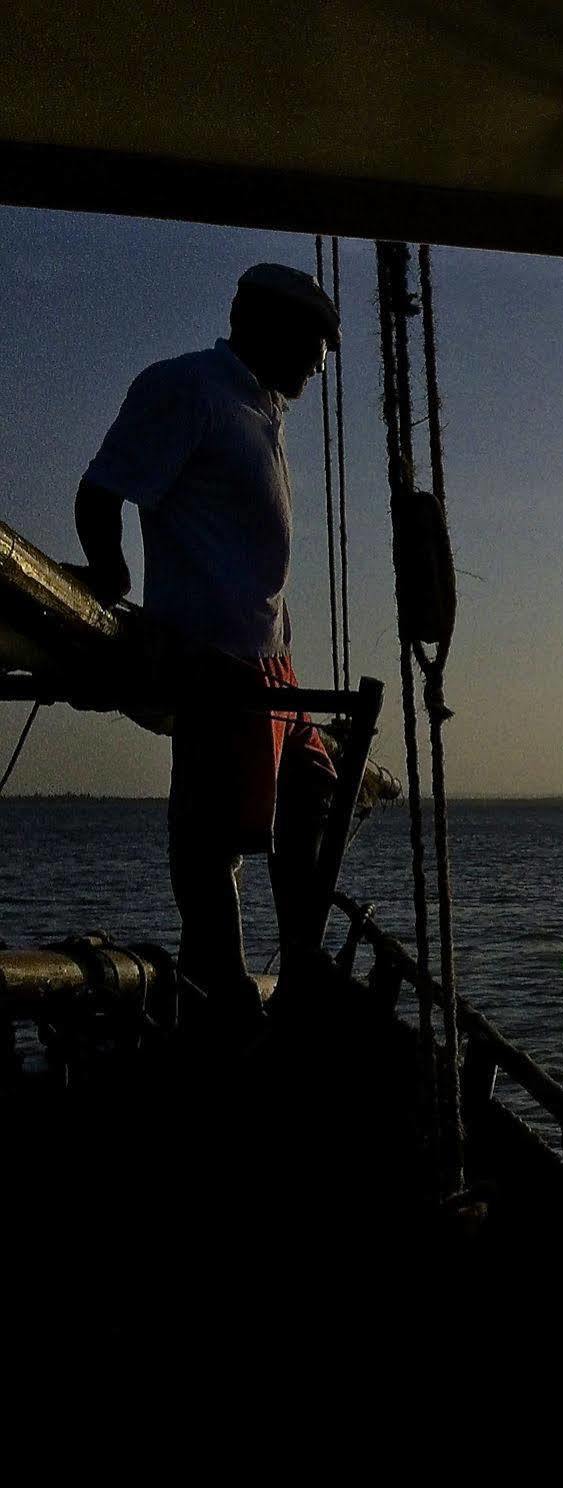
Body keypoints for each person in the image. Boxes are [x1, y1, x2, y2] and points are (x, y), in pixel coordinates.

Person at [74, 263, 341, 1028]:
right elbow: (105, 486)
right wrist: (109, 569)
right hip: (214, 661)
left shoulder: (258, 407)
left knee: (314, 795)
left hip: (272, 665)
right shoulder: (189, 387)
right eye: (312, 351)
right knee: (214, 844)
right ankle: (224, 997)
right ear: (271, 329)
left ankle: (297, 979)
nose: (315, 371)